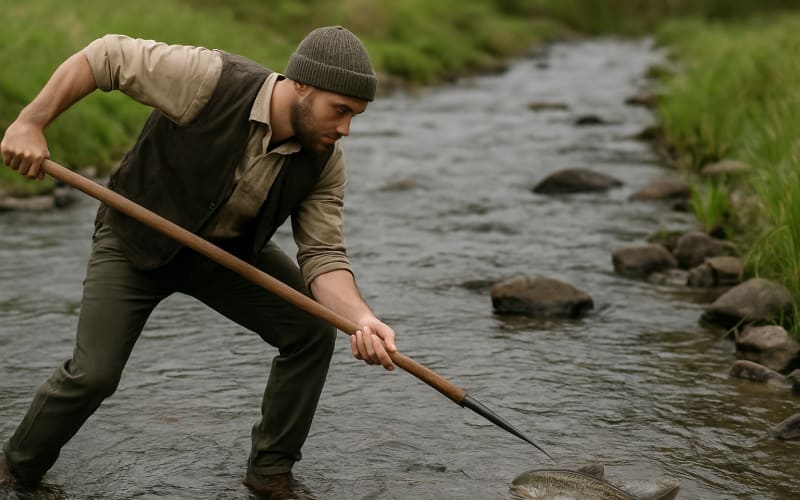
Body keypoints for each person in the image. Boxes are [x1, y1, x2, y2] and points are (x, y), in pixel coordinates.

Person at [0, 26, 397, 494]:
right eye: (341, 111)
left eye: (356, 116)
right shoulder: (208, 79)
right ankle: (15, 470)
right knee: (94, 375)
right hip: (134, 243)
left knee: (310, 330)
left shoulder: (324, 161)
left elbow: (323, 256)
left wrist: (362, 320)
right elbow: (105, 56)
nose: (345, 128)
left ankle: (270, 472)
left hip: (223, 258)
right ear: (302, 84)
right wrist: (31, 122)